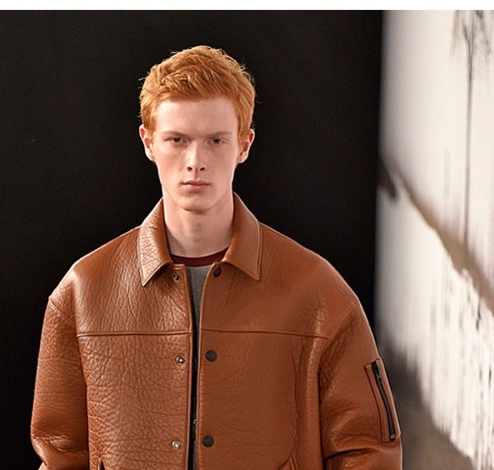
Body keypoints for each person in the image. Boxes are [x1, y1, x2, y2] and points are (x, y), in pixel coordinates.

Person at [30, 45, 402, 469]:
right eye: (177, 140)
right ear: (148, 142)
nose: (195, 162)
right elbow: (60, 456)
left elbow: (368, 451)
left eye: (215, 141)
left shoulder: (316, 291)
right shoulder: (85, 291)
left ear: (244, 144)